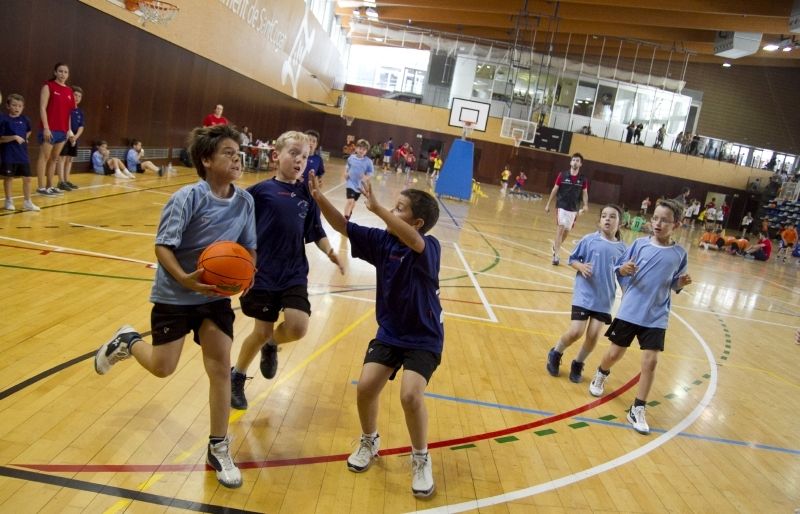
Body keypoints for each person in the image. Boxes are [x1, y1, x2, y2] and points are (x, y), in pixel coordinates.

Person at [93, 124, 256, 488]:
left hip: (214, 297)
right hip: (175, 293)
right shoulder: (187, 198)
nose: (237, 158)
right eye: (228, 152)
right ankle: (128, 339)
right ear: (207, 159)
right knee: (163, 368)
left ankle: (218, 446)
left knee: (219, 366)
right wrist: (184, 279)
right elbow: (162, 246)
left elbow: (248, 248)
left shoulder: (245, 201)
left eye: (238, 153)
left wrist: (249, 274)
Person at [308, 172, 443, 498]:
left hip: (423, 337)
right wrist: (319, 198)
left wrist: (380, 208)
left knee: (410, 395)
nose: (392, 213)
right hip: (390, 332)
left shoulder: (428, 247)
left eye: (400, 208)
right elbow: (342, 225)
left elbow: (414, 240)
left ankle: (420, 457)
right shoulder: (382, 242)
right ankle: (370, 440)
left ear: (418, 221)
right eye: (393, 208)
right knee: (366, 387)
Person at [230, 131, 342, 410]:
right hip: (263, 272)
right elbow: (236, 226)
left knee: (298, 326)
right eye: (293, 153)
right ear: (276, 155)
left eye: (304, 156)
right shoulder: (259, 192)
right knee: (259, 331)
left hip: (293, 271)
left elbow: (315, 230)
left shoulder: (307, 194)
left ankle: (272, 345)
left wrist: (330, 251)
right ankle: (238, 375)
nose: (299, 160)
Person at [588, 199, 692, 435]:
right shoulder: (639, 245)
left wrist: (680, 282)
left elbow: (675, 284)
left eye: (664, 220)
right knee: (614, 353)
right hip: (630, 310)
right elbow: (620, 269)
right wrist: (622, 270)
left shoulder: (679, 254)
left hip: (657, 315)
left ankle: (638, 408)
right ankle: (601, 373)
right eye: (655, 218)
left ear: (676, 224)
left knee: (651, 362)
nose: (658, 223)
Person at [546, 205, 626, 383]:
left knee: (593, 336)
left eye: (612, 217)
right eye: (604, 216)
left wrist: (627, 293)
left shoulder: (622, 249)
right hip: (584, 294)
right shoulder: (589, 240)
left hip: (604, 299)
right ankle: (556, 352)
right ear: (599, 221)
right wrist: (580, 266)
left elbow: (622, 275)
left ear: (620, 223)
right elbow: (572, 259)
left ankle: (578, 363)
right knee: (576, 332)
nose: (607, 219)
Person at [36, 62, 74, 197]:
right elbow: (42, 108)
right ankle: (40, 187)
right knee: (44, 157)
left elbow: (69, 113)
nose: (63, 74)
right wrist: (46, 128)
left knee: (54, 159)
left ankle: (49, 186)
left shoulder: (69, 91)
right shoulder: (48, 86)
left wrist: (69, 131)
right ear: (55, 72)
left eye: (65, 72)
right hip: (49, 129)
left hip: (62, 131)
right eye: (60, 71)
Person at [544, 153, 589, 265]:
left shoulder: (583, 179)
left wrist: (586, 205)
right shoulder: (562, 175)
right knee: (561, 229)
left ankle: (556, 246)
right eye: (573, 160)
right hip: (562, 206)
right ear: (570, 162)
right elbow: (555, 189)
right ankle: (556, 256)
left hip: (574, 209)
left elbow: (584, 193)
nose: (575, 162)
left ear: (581, 164)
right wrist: (548, 204)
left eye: (577, 160)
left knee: (566, 233)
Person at [1, 94, 40, 212]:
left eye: (20, 106)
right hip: (9, 154)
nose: (17, 108)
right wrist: (14, 137)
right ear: (8, 105)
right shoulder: (3, 120)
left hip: (23, 154)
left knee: (28, 178)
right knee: (8, 178)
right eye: (14, 105)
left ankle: (28, 202)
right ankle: (9, 201)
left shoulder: (25, 119)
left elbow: (29, 130)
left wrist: (25, 138)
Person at [57, 86, 84, 191]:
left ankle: (67, 180)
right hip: (64, 136)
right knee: (62, 158)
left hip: (74, 138)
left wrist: (76, 137)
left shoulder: (80, 112)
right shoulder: (66, 108)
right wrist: (69, 133)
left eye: (79, 96)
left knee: (70, 159)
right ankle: (61, 181)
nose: (77, 97)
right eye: (75, 95)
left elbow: (81, 126)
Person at [343, 139, 373, 221]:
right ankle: (345, 219)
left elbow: (370, 172)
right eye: (360, 148)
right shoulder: (351, 158)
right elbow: (347, 166)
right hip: (350, 183)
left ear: (366, 151)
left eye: (364, 149)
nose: (361, 151)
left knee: (353, 203)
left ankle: (349, 213)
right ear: (356, 148)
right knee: (350, 201)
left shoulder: (368, 162)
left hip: (359, 186)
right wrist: (345, 173)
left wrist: (365, 177)